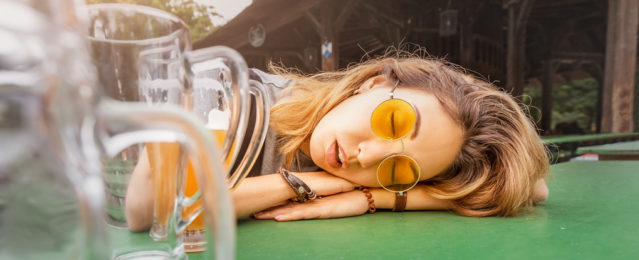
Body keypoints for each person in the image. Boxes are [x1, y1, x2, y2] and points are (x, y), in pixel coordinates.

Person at [126, 53, 550, 231]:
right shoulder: (229, 99)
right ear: (372, 82)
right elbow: (146, 210)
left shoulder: (368, 180)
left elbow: (531, 186)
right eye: (393, 120)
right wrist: (296, 185)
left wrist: (372, 197)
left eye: (400, 170)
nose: (370, 156)